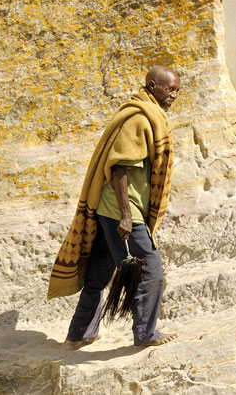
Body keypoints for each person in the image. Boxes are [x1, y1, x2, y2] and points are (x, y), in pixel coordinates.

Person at [47, 65, 181, 348]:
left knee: (99, 271)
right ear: (153, 86)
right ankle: (146, 334)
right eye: (170, 89)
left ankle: (79, 334)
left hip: (110, 210)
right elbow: (119, 167)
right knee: (151, 267)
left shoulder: (145, 114)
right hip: (121, 209)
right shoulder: (139, 119)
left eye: (177, 90)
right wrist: (126, 217)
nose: (174, 95)